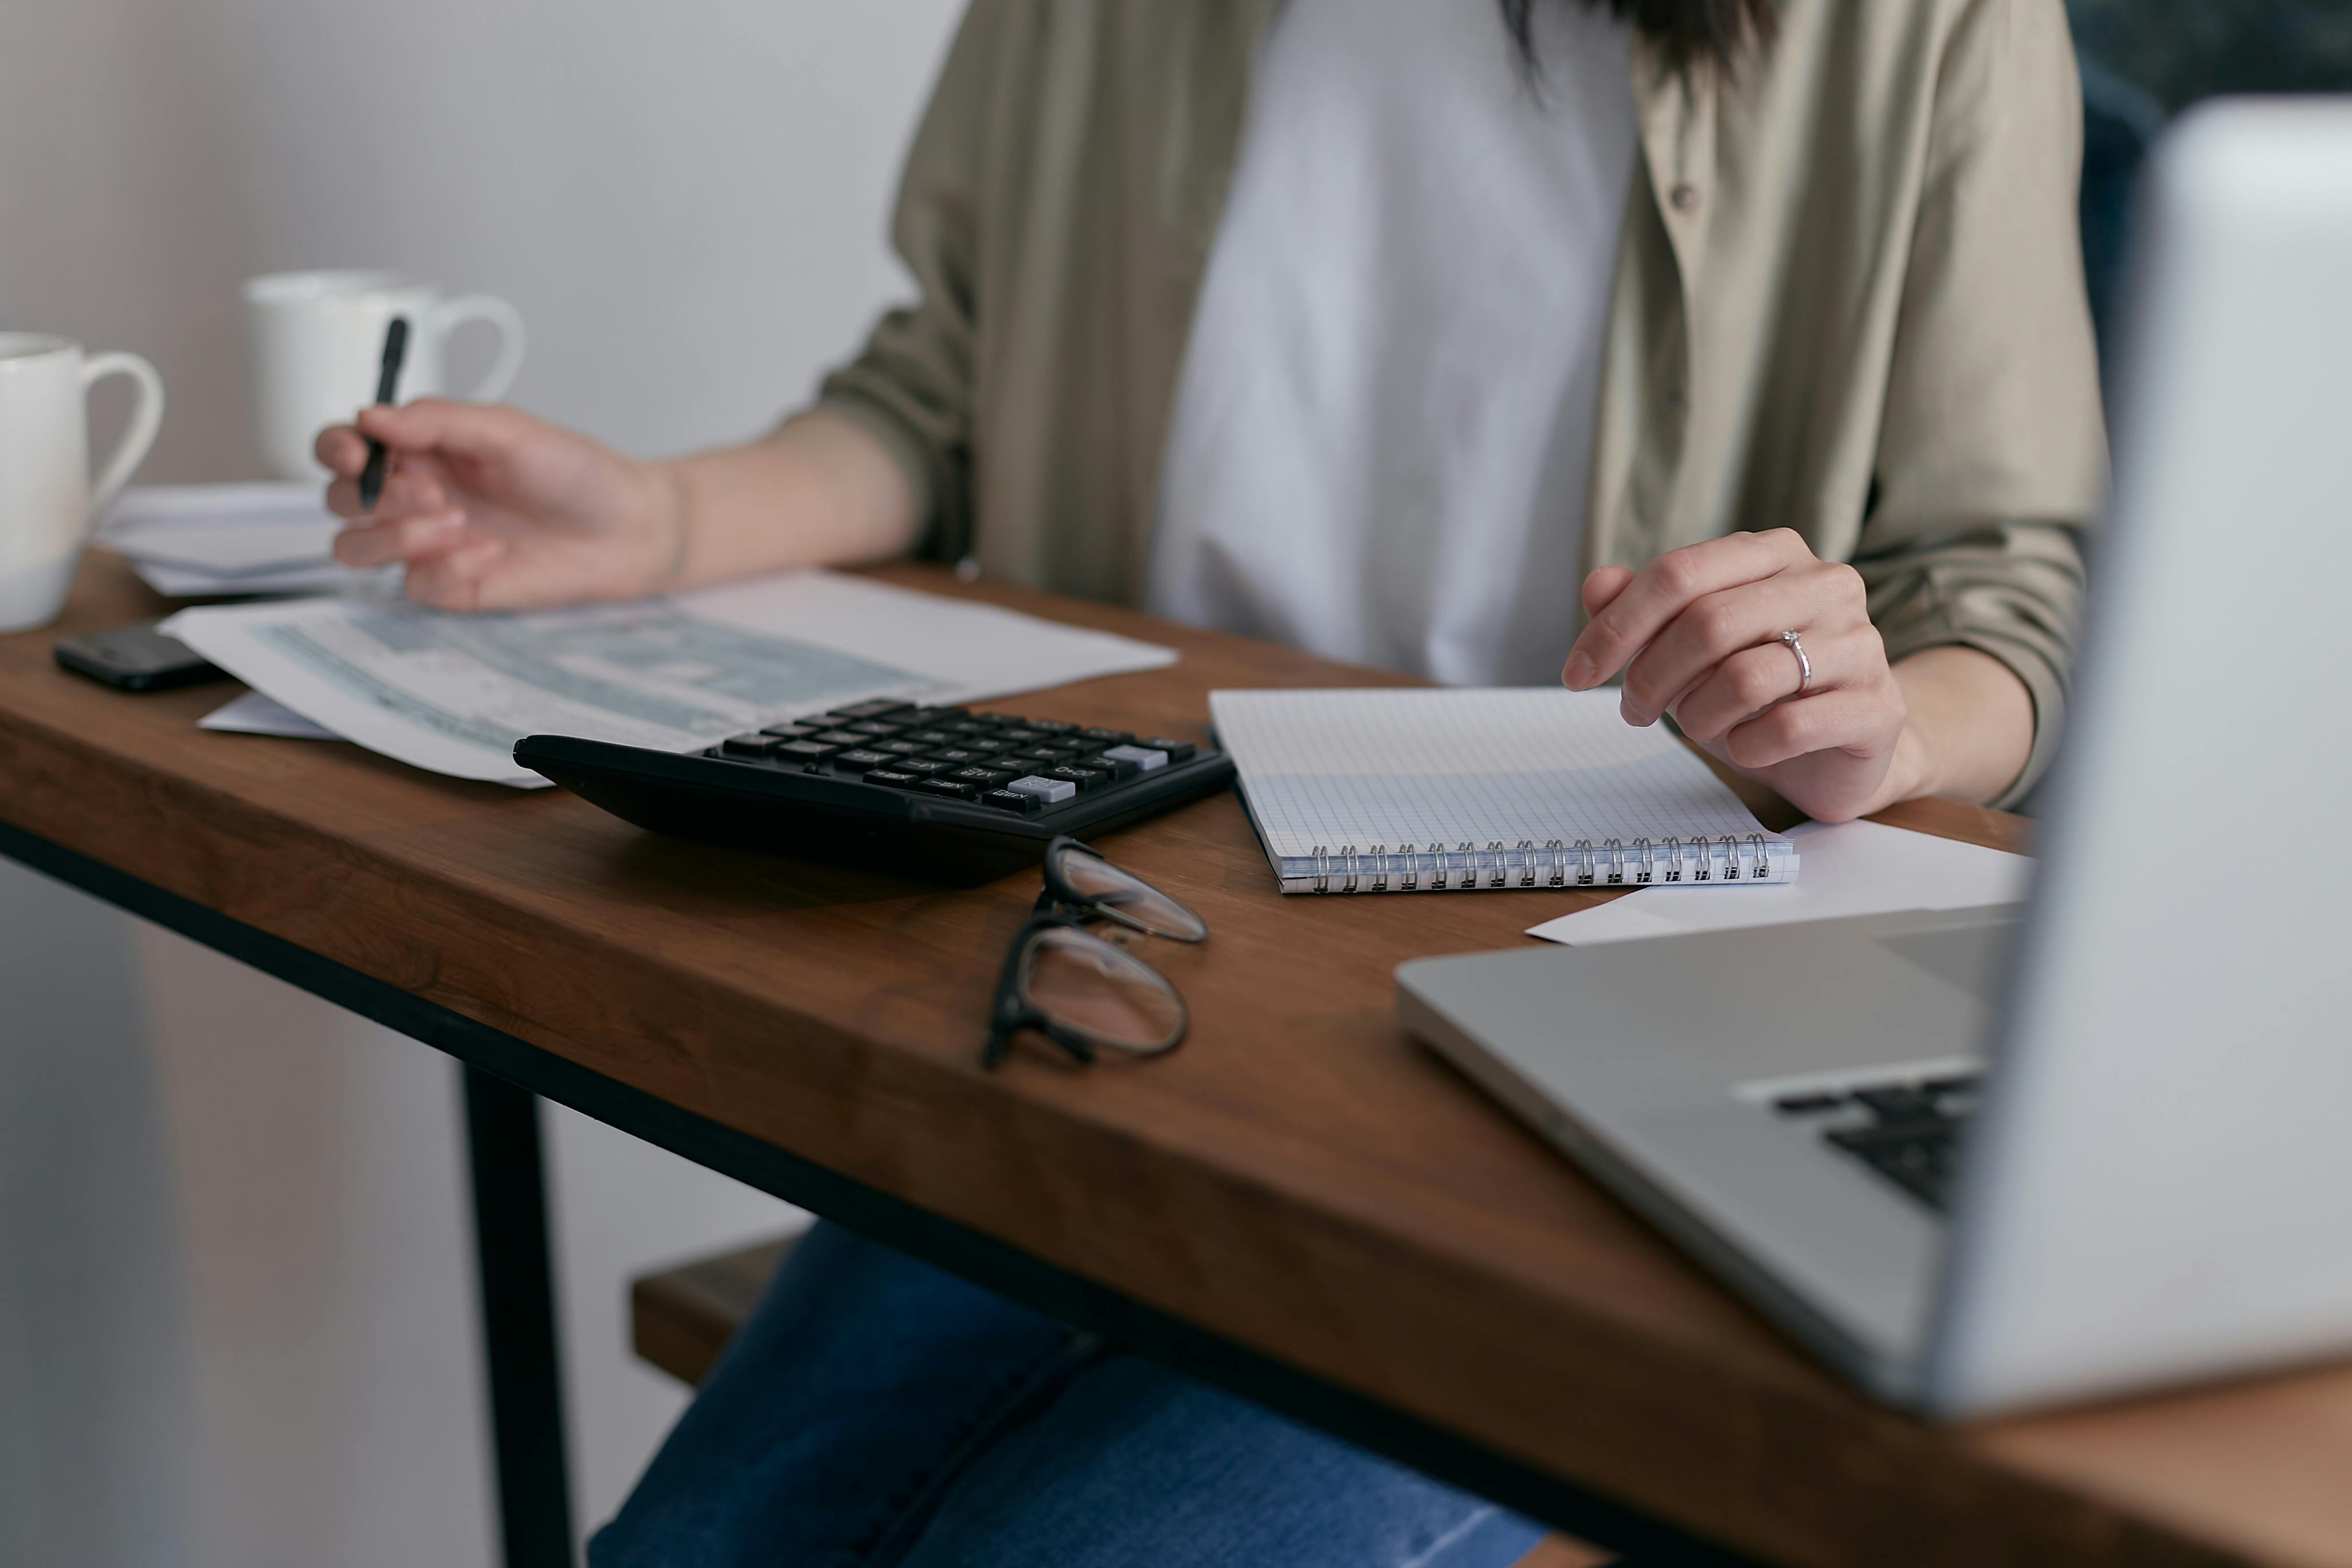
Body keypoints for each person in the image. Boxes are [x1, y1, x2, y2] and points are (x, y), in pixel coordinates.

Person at [319, 1, 2104, 1562]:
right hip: (1113, 957)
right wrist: (665, 518)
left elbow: (2003, 591)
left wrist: (1877, 726)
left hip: (1591, 1030)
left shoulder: (1924, 17)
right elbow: (944, 396)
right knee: (694, 1548)